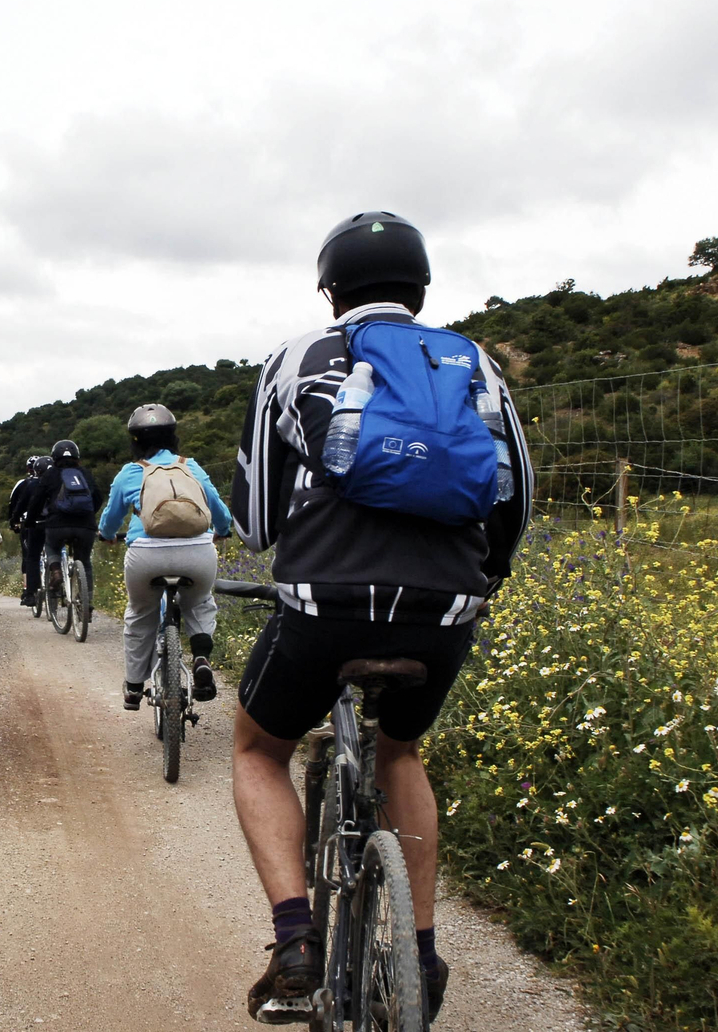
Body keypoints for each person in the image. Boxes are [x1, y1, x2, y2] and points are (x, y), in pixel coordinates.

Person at [229, 212, 532, 1022]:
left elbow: (257, 520)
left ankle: (295, 937)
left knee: (259, 747)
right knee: (401, 750)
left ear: (330, 289)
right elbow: (517, 498)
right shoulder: (475, 364)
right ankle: (423, 954)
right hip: (446, 605)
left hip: (325, 602)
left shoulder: (294, 358)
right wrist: (477, 582)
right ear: (423, 286)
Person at [97, 404, 232, 708]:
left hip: (146, 555)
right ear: (174, 437)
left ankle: (133, 687)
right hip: (197, 551)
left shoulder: (130, 472)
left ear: (135, 441)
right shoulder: (191, 467)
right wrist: (223, 529)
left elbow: (110, 519)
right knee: (200, 602)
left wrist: (106, 536)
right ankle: (200, 656)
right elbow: (218, 509)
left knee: (140, 616)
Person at [25, 440, 101, 616]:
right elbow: (97, 497)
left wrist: (30, 521)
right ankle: (87, 603)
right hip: (85, 526)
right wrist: (89, 516)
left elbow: (37, 501)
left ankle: (56, 571)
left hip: (57, 525)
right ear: (77, 458)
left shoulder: (50, 475)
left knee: (51, 546)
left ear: (54, 457)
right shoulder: (86, 474)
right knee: (86, 562)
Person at [8, 455, 52, 607]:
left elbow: (14, 503)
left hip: (32, 523)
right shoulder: (59, 480)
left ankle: (30, 592)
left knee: (30, 557)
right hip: (56, 523)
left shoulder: (26, 483)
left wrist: (13, 521)